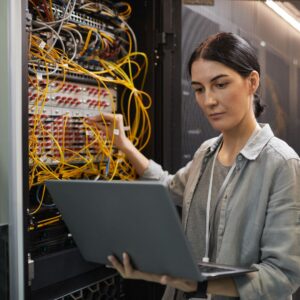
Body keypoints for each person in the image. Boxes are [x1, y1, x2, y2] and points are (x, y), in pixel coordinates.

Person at [87, 32, 300, 300]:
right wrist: (124, 145)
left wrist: (197, 284)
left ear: (252, 82)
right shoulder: (206, 153)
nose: (208, 100)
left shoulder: (281, 164)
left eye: (220, 85)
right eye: (199, 89)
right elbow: (168, 188)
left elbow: (282, 276)